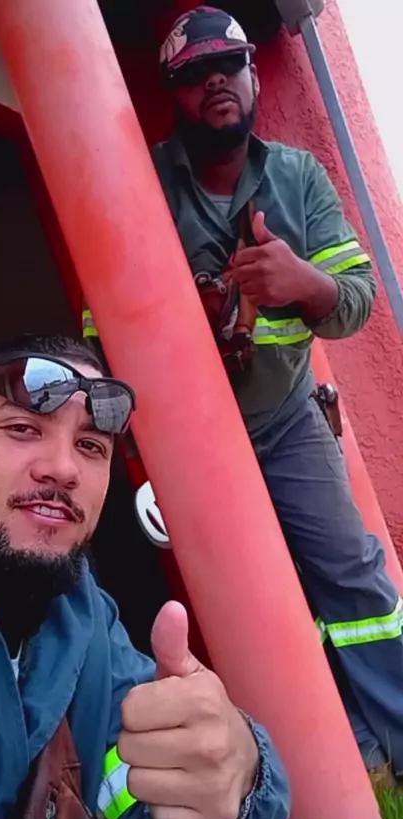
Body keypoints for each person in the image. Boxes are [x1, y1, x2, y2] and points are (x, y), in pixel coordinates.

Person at [82, 5, 403, 777]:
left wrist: (303, 282)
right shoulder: (142, 182)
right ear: (174, 92)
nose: (215, 81)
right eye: (194, 73)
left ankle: (394, 734)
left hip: (287, 418)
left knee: (351, 572)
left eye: (228, 64)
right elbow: (99, 326)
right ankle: (319, 750)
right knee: (256, 600)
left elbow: (358, 300)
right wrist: (176, 320)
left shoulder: (299, 176)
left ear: (254, 72)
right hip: (196, 440)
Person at [0, 333, 372, 819]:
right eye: (22, 429)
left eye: (90, 446)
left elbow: (167, 815)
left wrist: (234, 769)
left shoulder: (78, 614)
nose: (63, 468)